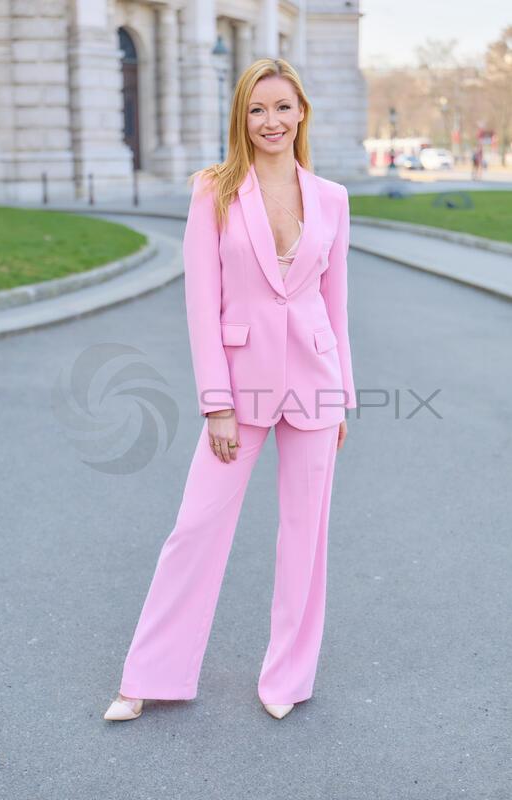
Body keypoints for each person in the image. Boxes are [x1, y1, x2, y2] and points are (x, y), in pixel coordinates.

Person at [104, 57, 357, 723]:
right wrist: (216, 404)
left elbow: (336, 305)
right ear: (239, 117)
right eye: (256, 109)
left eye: (281, 107)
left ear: (301, 112)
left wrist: (343, 400)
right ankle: (150, 675)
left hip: (315, 383)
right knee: (194, 529)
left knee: (306, 536)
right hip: (238, 390)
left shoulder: (330, 197)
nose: (270, 121)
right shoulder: (212, 192)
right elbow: (201, 306)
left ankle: (286, 678)